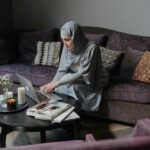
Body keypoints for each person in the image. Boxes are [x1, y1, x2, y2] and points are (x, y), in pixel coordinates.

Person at [40, 21, 108, 111]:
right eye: (63, 40)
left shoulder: (92, 48)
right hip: (76, 75)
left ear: (76, 37)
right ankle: (61, 113)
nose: (65, 44)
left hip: (92, 77)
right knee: (61, 86)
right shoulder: (67, 47)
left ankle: (75, 117)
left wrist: (57, 83)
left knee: (72, 87)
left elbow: (83, 72)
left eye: (67, 40)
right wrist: (51, 85)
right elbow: (62, 70)